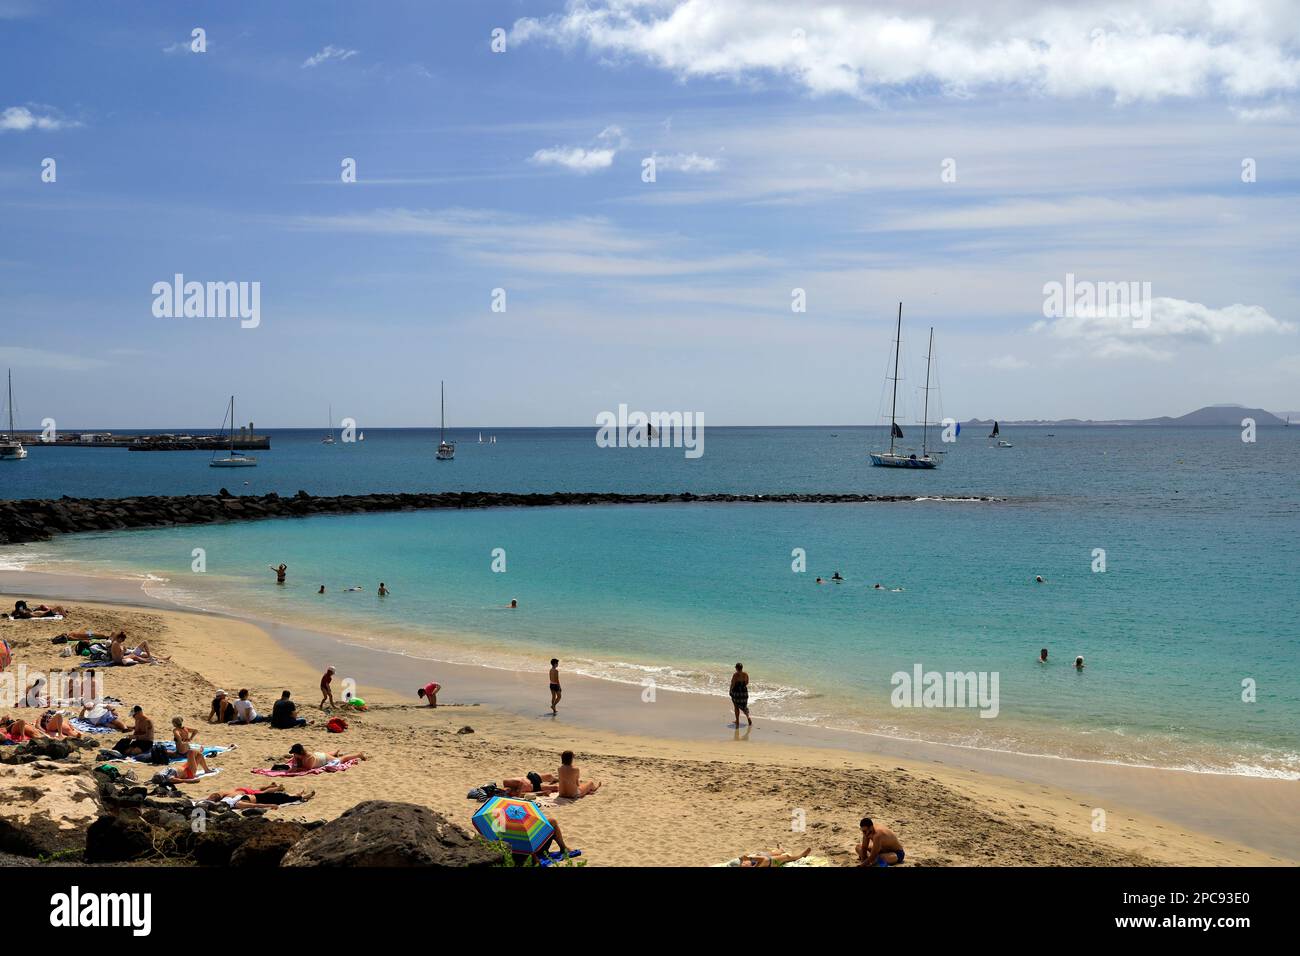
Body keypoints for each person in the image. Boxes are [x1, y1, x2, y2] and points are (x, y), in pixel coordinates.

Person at [203, 783, 314, 807]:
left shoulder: (228, 799)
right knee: (282, 798)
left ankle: (299, 795)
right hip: (259, 799)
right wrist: (269, 806)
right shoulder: (236, 804)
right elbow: (255, 806)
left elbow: (213, 799)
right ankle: (302, 796)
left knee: (282, 797)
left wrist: (203, 800)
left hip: (258, 796)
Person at [286, 743, 366, 771]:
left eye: (294, 753)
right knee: (326, 754)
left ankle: (359, 755)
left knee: (342, 759)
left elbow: (308, 768)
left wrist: (297, 767)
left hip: (324, 759)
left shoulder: (309, 757)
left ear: (299, 753)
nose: (293, 755)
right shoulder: (298, 756)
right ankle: (335, 752)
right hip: (319, 756)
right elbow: (294, 764)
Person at [739, 846, 811, 868]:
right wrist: (750, 858)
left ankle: (780, 850)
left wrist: (744, 859)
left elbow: (742, 858)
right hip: (773, 862)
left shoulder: (748, 864)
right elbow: (765, 859)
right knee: (786, 857)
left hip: (763, 858)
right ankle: (801, 855)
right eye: (744, 864)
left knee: (773, 853)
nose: (744, 863)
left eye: (743, 863)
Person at [729, 662, 752, 728]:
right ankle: (748, 717)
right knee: (744, 706)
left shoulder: (735, 675)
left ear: (736, 668)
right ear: (742, 668)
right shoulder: (745, 674)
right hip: (744, 692)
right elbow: (747, 682)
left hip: (736, 692)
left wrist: (730, 691)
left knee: (736, 707)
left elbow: (732, 684)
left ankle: (737, 721)